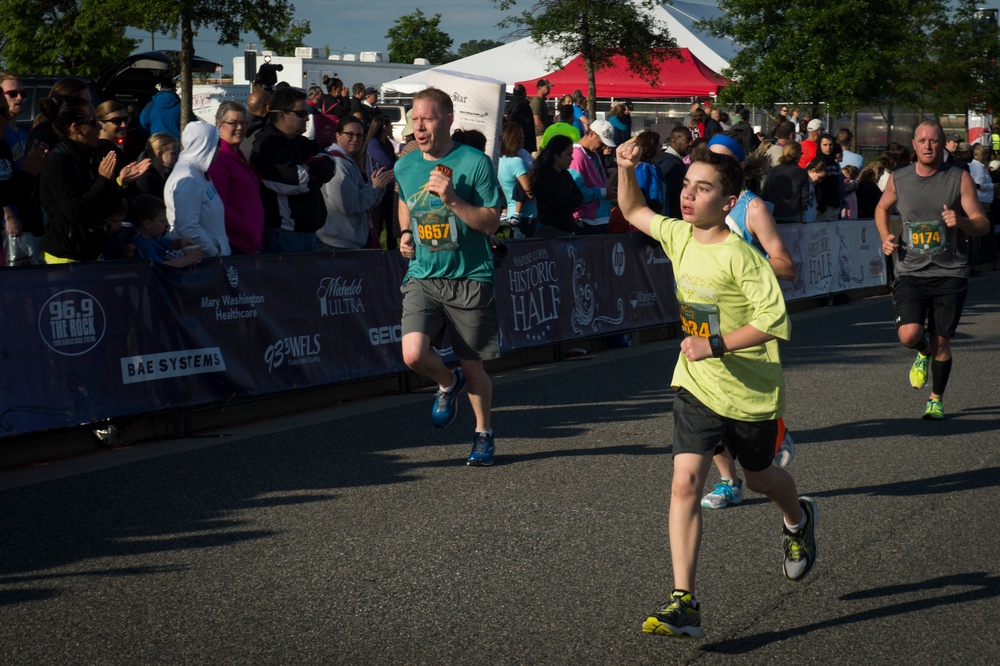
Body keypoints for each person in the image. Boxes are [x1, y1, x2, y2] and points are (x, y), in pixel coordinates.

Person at [615, 142, 817, 638]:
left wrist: (717, 344)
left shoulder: (742, 258)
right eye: (687, 185)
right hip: (696, 385)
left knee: (762, 479)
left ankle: (799, 521)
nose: (688, 196)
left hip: (750, 393)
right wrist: (623, 168)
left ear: (728, 203)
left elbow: (774, 321)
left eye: (702, 189)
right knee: (685, 482)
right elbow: (633, 209)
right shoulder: (680, 235)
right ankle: (684, 602)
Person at [396, 87, 503, 466]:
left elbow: (492, 223)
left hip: (470, 275)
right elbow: (405, 201)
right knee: (412, 354)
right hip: (424, 273)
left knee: (473, 365)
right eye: (414, 119)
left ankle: (483, 434)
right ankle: (446, 382)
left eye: (427, 118)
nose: (419, 126)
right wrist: (406, 233)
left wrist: (454, 200)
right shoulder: (405, 164)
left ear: (448, 120)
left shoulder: (474, 163)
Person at [698, 133, 798, 511]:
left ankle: (775, 432)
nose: (713, 163)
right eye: (709, 156)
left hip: (746, 321)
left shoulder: (752, 209)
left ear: (739, 167)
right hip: (707, 314)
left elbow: (787, 267)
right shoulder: (698, 203)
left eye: (722, 158)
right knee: (707, 402)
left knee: (742, 401)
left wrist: (743, 259)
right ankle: (727, 482)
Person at [875, 120, 989, 420]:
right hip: (910, 270)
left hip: (950, 271)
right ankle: (921, 350)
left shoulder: (958, 177)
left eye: (934, 141)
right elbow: (882, 208)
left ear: (943, 145)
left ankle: (936, 398)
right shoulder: (900, 178)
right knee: (908, 335)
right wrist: (885, 235)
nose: (928, 146)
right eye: (922, 140)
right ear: (914, 144)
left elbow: (982, 224)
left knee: (942, 341)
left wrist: (961, 221)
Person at [38, 95, 149, 263]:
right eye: (92, 122)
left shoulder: (89, 154)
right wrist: (103, 180)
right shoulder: (58, 161)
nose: (99, 127)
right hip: (65, 257)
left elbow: (103, 208)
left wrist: (120, 183)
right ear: (76, 128)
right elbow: (77, 211)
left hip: (90, 251)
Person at [251, 87, 335, 253]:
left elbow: (331, 163)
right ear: (282, 115)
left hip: (308, 232)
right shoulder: (267, 144)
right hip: (285, 235)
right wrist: (313, 170)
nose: (307, 119)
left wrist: (307, 167)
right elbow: (295, 182)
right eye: (302, 113)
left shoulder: (299, 141)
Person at [316, 116, 394, 250]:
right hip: (337, 243)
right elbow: (350, 206)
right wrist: (374, 187)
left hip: (345, 240)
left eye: (360, 135)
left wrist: (375, 186)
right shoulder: (337, 164)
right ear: (337, 135)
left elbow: (363, 203)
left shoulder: (346, 160)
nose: (356, 139)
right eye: (350, 134)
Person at [208, 101, 265, 255]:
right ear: (218, 126)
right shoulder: (219, 160)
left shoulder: (238, 156)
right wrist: (244, 227)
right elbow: (218, 204)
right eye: (233, 123)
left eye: (243, 122)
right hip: (235, 243)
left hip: (248, 243)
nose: (240, 128)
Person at [165, 121, 228, 258]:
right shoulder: (188, 179)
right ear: (206, 146)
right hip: (202, 263)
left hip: (210, 259)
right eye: (218, 144)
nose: (219, 148)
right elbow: (187, 227)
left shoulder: (197, 172)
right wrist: (214, 252)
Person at [0, 88, 46, 265]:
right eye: (2, 112)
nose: (8, 117)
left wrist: (29, 173)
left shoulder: (3, 146)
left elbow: (14, 194)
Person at [531, 134, 584, 237]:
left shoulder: (565, 174)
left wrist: (568, 199)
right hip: (550, 231)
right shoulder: (546, 176)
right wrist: (570, 200)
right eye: (568, 154)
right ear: (556, 155)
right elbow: (561, 205)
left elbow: (580, 197)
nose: (572, 158)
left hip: (565, 230)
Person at [569, 119, 616, 233]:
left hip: (598, 218)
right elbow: (576, 192)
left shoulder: (594, 154)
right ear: (592, 134)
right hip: (587, 220)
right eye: (601, 143)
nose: (604, 148)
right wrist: (604, 192)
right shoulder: (577, 155)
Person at [129, 194, 202, 267]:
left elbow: (171, 243)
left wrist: (181, 241)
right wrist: (190, 259)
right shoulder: (142, 244)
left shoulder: (152, 237)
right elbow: (160, 267)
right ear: (147, 224)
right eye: (162, 221)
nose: (166, 223)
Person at [364, 115, 399, 248]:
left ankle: (392, 255)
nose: (392, 127)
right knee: (377, 225)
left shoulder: (386, 142)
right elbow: (387, 162)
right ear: (384, 126)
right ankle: (373, 255)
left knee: (391, 226)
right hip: (377, 188)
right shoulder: (374, 142)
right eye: (390, 125)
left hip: (389, 188)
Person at [497, 121, 537, 237]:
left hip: (510, 211)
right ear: (513, 139)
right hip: (525, 215)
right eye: (520, 137)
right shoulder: (517, 161)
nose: (523, 139)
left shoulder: (501, 160)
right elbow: (529, 192)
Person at [763, 142, 809, 223]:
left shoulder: (772, 171)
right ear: (798, 155)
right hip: (793, 215)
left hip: (773, 214)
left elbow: (764, 192)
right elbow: (804, 197)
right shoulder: (801, 172)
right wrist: (802, 216)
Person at [652, 126, 692, 219]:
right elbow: (674, 197)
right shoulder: (674, 165)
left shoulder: (662, 159)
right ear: (674, 141)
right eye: (687, 140)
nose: (690, 144)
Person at [133, 132, 178, 201]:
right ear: (159, 154)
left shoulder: (167, 175)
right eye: (173, 153)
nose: (177, 157)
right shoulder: (146, 180)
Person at [504, 83, 536, 154]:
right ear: (523, 93)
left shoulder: (509, 104)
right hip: (522, 140)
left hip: (510, 137)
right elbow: (527, 123)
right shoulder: (523, 105)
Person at [802, 157, 828, 223]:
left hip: (811, 220)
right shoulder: (803, 182)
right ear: (813, 171)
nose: (820, 180)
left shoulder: (813, 185)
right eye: (819, 177)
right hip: (804, 220)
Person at [530, 78, 552, 150]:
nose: (549, 89)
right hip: (539, 135)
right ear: (540, 88)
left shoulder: (542, 101)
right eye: (547, 87)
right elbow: (537, 121)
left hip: (542, 135)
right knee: (538, 156)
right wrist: (547, 132)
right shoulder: (537, 102)